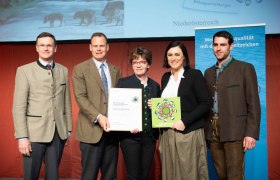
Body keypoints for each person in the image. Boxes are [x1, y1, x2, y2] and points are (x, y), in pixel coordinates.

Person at [12, 32, 72, 180]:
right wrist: (22, 137)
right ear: (37, 48)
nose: (46, 48)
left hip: (58, 133)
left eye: (49, 45)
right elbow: (18, 107)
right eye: (42, 45)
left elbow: (67, 102)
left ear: (55, 48)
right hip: (33, 134)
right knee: (31, 175)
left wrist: (68, 129)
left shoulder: (63, 70)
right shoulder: (24, 71)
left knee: (53, 176)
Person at [204, 30, 261, 180]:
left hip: (235, 130)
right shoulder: (208, 73)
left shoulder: (245, 68)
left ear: (231, 46)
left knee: (235, 175)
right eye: (215, 45)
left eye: (223, 45)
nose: (218, 48)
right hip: (213, 131)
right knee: (221, 175)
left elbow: (253, 103)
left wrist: (251, 133)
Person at [72, 32, 122, 180]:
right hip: (91, 130)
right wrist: (99, 116)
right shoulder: (80, 69)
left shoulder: (116, 70)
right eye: (95, 46)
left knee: (110, 175)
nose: (98, 49)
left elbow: (119, 98)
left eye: (101, 45)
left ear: (107, 47)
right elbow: (80, 97)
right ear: (90, 47)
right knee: (89, 175)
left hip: (112, 131)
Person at [159, 41, 210, 180]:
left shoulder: (194, 75)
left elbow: (205, 104)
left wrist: (184, 121)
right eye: (169, 55)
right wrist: (156, 105)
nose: (173, 58)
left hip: (188, 133)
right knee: (170, 174)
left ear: (184, 57)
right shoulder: (165, 78)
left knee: (189, 174)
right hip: (167, 135)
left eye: (177, 54)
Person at [117, 47, 160, 180]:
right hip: (130, 138)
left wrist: (156, 108)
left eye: (142, 62)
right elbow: (118, 111)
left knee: (144, 175)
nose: (138, 65)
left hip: (149, 138)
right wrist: (126, 125)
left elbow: (160, 114)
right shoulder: (123, 83)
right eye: (135, 62)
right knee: (133, 175)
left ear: (148, 64)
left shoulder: (155, 86)